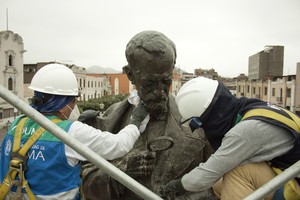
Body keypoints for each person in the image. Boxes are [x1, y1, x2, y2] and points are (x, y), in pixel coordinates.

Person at [80, 30, 217, 200]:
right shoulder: (109, 120)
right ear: (130, 74)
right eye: (150, 83)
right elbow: (87, 184)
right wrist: (121, 171)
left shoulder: (197, 120)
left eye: (166, 81)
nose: (160, 92)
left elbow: (217, 184)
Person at [0, 63, 149, 200]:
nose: (74, 106)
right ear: (62, 103)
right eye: (73, 101)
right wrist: (135, 121)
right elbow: (118, 145)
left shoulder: (16, 124)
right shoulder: (72, 132)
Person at [160, 76, 300, 200]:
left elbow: (202, 178)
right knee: (219, 184)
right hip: (291, 171)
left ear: (208, 117)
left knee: (236, 173)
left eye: (197, 124)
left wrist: (175, 186)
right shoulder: (250, 108)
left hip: (295, 183)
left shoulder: (245, 131)